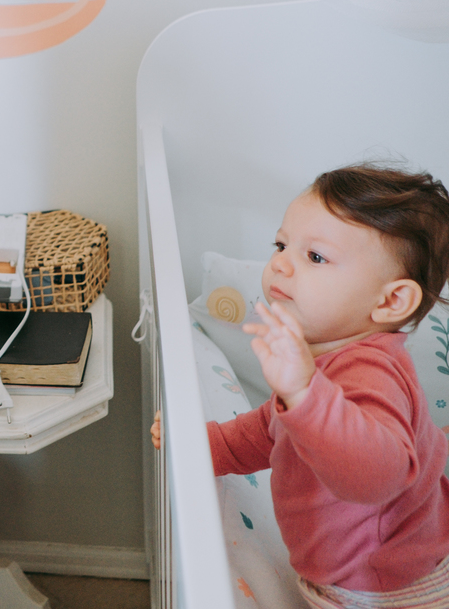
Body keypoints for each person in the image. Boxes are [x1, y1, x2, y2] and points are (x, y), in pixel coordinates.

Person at [151, 164, 449, 608]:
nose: (279, 263)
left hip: (387, 588)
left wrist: (305, 394)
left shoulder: (371, 374)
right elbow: (267, 431)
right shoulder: (317, 363)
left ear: (390, 301)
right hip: (352, 574)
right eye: (281, 245)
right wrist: (200, 445)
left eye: (315, 257)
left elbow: (377, 476)